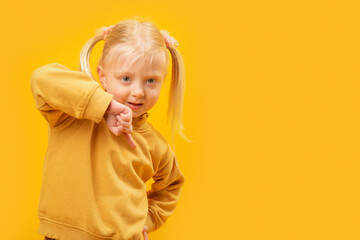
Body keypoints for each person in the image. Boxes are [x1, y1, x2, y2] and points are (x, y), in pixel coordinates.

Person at [30, 19, 186, 240]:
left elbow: (172, 185)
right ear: (102, 76)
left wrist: (149, 219)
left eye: (151, 80)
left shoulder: (156, 145)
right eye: (126, 78)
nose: (139, 91)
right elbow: (41, 78)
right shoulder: (72, 114)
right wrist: (106, 107)